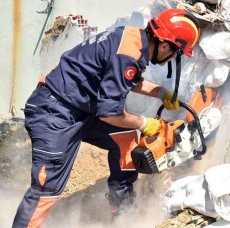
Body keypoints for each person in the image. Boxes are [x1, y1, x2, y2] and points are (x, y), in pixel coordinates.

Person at [12, 8, 201, 227]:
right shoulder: (128, 54)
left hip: (80, 109)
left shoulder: (131, 38)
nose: (172, 58)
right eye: (176, 53)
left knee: (126, 138)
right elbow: (110, 112)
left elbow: (123, 77)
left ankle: (121, 212)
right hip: (54, 111)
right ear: (165, 45)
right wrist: (145, 123)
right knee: (47, 188)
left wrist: (159, 92)